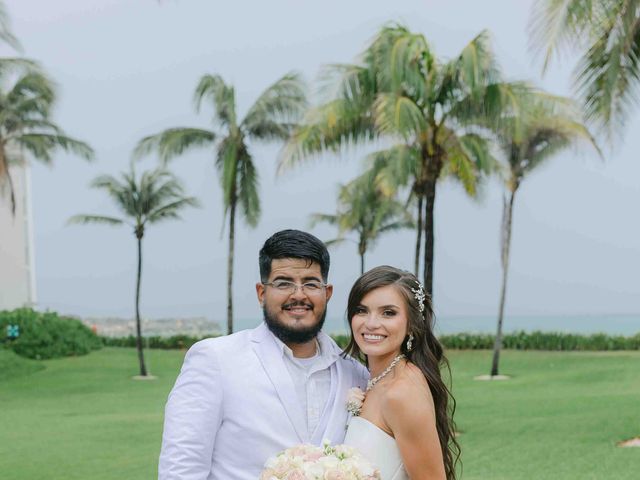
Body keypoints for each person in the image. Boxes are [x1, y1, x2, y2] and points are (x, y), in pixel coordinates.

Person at [158, 229, 369, 480]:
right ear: (261, 293)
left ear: (327, 293)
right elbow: (181, 468)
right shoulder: (215, 360)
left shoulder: (355, 372)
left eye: (311, 284)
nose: (298, 294)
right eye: (283, 283)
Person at [343, 266, 460, 480]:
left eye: (388, 313)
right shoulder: (379, 380)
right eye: (361, 310)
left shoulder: (401, 392)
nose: (371, 324)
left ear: (412, 325)